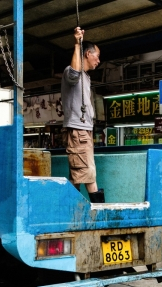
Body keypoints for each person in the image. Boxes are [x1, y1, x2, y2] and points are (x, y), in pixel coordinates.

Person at [61, 27, 104, 203]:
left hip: (83, 131)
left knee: (78, 175)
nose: (99, 61)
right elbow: (72, 75)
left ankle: (69, 214)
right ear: (87, 54)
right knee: (88, 175)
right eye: (97, 56)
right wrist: (77, 43)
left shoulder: (85, 77)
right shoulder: (72, 73)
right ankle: (101, 216)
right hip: (78, 131)